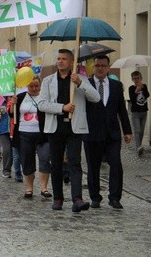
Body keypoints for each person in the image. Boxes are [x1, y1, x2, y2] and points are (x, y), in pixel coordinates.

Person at [38, 49, 100, 212]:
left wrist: (80, 83)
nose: (60, 61)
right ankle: (58, 198)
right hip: (55, 127)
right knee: (56, 164)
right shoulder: (48, 81)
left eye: (64, 59)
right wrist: (62, 107)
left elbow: (96, 98)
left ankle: (77, 199)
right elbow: (42, 104)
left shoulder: (81, 80)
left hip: (75, 127)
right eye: (58, 58)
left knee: (74, 163)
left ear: (72, 62)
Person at [85, 55, 132, 209]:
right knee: (93, 167)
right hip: (92, 133)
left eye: (103, 66)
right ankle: (95, 197)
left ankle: (115, 197)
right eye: (97, 65)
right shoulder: (86, 84)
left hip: (112, 133)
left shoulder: (116, 85)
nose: (100, 68)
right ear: (93, 67)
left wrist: (127, 130)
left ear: (108, 67)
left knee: (116, 165)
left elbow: (122, 110)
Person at [10, 76, 52, 199]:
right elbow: (12, 114)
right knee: (27, 161)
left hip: (43, 134)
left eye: (36, 86)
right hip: (24, 133)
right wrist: (13, 105)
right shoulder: (21, 97)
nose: (34, 88)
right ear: (27, 86)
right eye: (31, 86)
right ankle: (29, 188)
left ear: (40, 86)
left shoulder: (45, 96)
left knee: (44, 159)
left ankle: (44, 188)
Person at [128, 70, 149, 156]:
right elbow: (132, 100)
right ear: (132, 79)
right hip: (135, 112)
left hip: (144, 111)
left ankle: (139, 147)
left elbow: (147, 95)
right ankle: (138, 148)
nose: (136, 80)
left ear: (141, 78)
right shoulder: (131, 88)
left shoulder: (144, 86)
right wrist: (136, 91)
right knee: (137, 130)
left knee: (142, 131)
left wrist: (142, 88)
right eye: (135, 78)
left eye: (138, 78)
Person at [0, 101, 12, 178]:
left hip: (14, 130)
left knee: (15, 152)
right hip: (3, 130)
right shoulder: (0, 101)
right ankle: (6, 170)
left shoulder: (18, 99)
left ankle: (18, 171)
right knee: (7, 150)